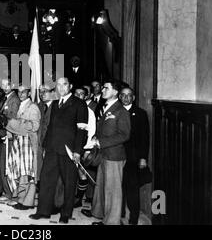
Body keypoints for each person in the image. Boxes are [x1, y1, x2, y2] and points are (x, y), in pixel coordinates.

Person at [30, 77, 88, 224]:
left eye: (65, 84)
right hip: (52, 149)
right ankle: (43, 211)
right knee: (46, 180)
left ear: (71, 86)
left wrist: (77, 151)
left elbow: (82, 131)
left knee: (69, 183)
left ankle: (65, 214)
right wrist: (45, 145)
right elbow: (50, 127)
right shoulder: (55, 104)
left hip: (69, 151)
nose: (61, 88)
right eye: (58, 85)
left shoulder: (79, 104)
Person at [81, 79, 131, 225]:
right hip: (103, 154)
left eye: (106, 88)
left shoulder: (120, 111)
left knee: (113, 190)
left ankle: (111, 221)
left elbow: (124, 135)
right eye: (102, 88)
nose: (102, 90)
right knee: (101, 186)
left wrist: (101, 142)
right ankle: (99, 213)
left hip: (114, 156)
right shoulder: (107, 107)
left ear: (115, 92)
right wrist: (97, 137)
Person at [6, 85, 41, 210]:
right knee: (19, 171)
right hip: (19, 141)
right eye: (19, 92)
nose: (21, 94)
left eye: (24, 92)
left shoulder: (33, 107)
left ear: (29, 93)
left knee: (27, 172)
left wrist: (15, 124)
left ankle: (26, 202)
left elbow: (35, 126)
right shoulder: (20, 105)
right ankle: (20, 198)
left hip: (28, 142)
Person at [119, 86, 150, 225]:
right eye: (123, 95)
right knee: (118, 187)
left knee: (132, 189)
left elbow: (145, 137)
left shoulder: (140, 113)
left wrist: (143, 158)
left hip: (133, 157)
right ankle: (119, 214)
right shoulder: (116, 111)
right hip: (117, 156)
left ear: (134, 98)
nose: (126, 98)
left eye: (129, 95)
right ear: (119, 97)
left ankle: (133, 219)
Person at [0, 79, 20, 204]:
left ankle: (13, 195)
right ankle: (8, 193)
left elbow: (14, 118)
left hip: (11, 137)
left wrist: (9, 132)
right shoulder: (6, 98)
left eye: (8, 85)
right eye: (3, 85)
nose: (5, 87)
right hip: (5, 136)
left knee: (8, 166)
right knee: (4, 165)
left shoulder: (14, 100)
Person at [36, 84, 54, 188]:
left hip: (51, 144)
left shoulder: (57, 106)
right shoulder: (38, 106)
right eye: (40, 92)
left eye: (45, 91)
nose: (42, 94)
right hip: (39, 143)